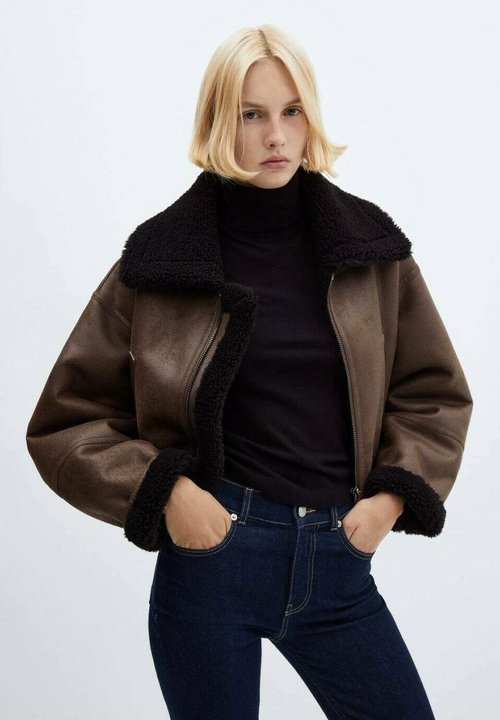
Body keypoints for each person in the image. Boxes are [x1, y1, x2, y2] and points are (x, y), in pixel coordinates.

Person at [26, 23, 473, 720]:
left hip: (338, 563)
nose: (277, 136)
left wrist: (387, 503)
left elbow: (434, 393)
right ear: (217, 121)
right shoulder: (161, 261)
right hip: (213, 564)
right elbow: (65, 421)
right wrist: (170, 494)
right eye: (251, 114)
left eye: (291, 111)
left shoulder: (371, 251)